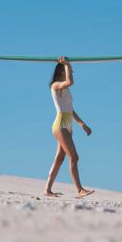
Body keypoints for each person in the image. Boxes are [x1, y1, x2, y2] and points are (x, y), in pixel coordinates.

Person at [44, 56, 95, 198]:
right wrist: (66, 64)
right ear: (62, 71)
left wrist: (82, 124)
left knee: (59, 159)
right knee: (74, 157)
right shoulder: (55, 86)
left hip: (68, 126)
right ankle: (79, 190)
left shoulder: (65, 90)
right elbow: (70, 81)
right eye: (70, 70)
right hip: (60, 126)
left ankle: (47, 190)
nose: (71, 72)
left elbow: (70, 110)